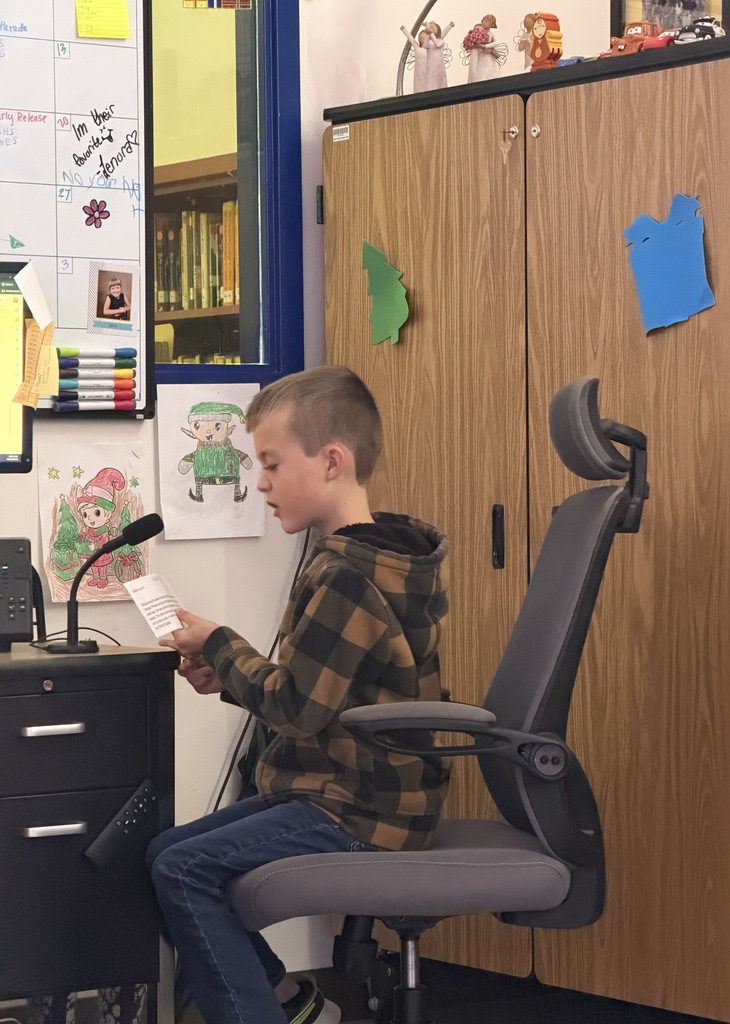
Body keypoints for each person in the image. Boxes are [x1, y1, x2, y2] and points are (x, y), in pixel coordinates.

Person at [147, 365, 451, 1024]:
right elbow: (321, 696)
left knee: (182, 870)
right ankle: (288, 999)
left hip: (362, 810)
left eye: (272, 464)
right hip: (350, 790)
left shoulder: (346, 574)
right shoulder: (372, 558)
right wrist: (229, 678)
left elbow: (298, 709)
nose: (260, 482)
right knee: (163, 854)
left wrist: (222, 645)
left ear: (332, 461)